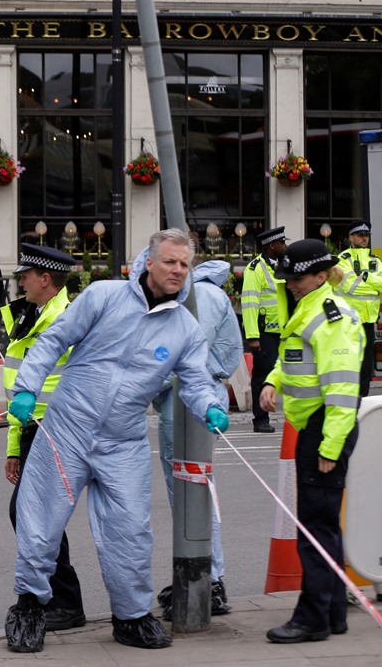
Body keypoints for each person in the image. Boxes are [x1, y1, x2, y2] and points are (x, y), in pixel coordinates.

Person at [4, 229, 229, 653]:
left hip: (123, 441)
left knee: (130, 531)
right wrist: (26, 388)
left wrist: (210, 407)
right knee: (41, 523)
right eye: (170, 262)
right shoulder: (103, 296)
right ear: (149, 261)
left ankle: (131, 617)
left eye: (185, 264)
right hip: (66, 430)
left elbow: (196, 382)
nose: (178, 270)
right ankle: (30, 606)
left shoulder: (185, 328)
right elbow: (53, 340)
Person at [260, 239, 363, 644]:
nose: (291, 284)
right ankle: (333, 612)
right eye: (287, 278)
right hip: (315, 427)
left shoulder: (331, 316)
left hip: (324, 430)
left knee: (315, 532)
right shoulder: (310, 308)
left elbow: (341, 391)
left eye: (297, 278)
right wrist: (272, 381)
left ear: (322, 275)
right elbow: (295, 360)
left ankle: (312, 618)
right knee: (323, 527)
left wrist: (329, 448)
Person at [0, 243, 85, 631]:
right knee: (34, 514)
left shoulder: (66, 318)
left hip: (57, 430)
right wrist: (14, 447)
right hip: (34, 428)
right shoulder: (31, 316)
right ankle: (62, 600)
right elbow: (18, 384)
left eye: (26, 276)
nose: (21, 281)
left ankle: (64, 602)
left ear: (45, 279)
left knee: (32, 513)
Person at [151, 259, 243, 619]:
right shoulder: (216, 296)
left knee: (189, 496)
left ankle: (205, 578)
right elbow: (227, 354)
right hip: (207, 399)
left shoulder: (186, 298)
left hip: (182, 405)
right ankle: (205, 575)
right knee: (200, 490)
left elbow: (166, 360)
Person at [241, 226, 287, 432]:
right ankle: (260, 420)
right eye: (282, 243)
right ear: (271, 246)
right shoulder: (255, 268)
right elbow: (249, 303)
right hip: (265, 332)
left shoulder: (284, 265)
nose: (285, 246)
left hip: (285, 331)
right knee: (263, 375)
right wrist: (252, 336)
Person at [334, 220, 382, 397]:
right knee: (349, 360)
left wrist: (365, 277)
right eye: (361, 235)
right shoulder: (342, 259)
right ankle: (348, 399)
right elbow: (350, 286)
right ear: (351, 237)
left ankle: (363, 399)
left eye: (366, 236)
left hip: (369, 319)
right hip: (349, 320)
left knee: (366, 364)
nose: (364, 239)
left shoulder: (374, 260)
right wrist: (373, 284)